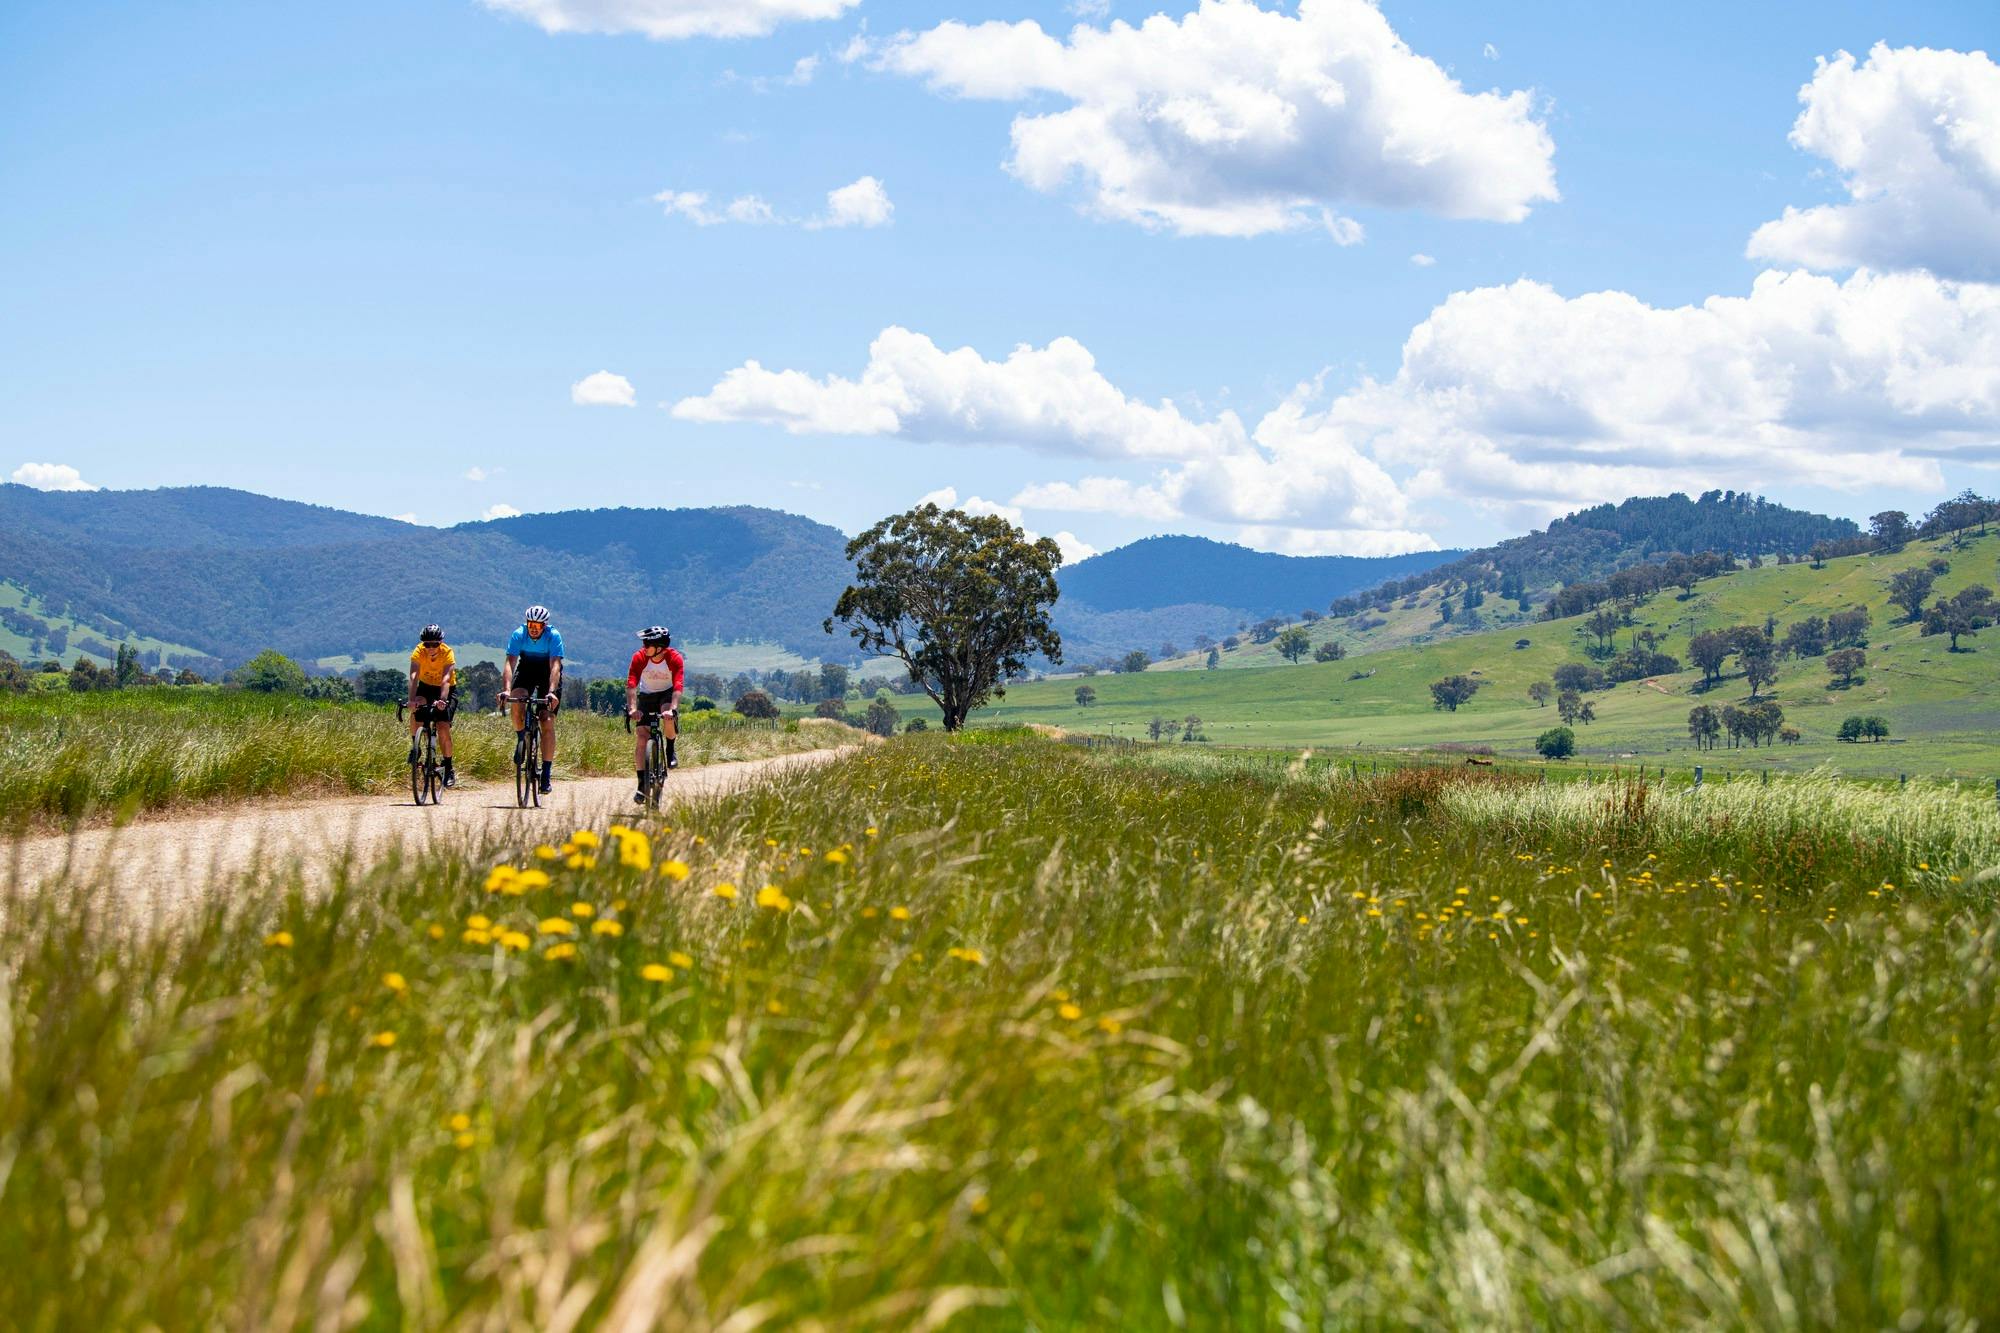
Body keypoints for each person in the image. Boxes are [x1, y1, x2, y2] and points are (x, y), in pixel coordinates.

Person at [503, 603, 564, 794]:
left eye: (538, 625)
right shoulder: (518, 634)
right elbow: (510, 663)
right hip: (527, 668)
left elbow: (555, 666)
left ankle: (546, 773)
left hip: (548, 671)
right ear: (527, 623)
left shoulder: (553, 636)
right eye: (531, 624)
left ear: (544, 626)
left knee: (546, 720)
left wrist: (552, 692)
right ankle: (521, 739)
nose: (534, 628)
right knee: (517, 699)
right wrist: (506, 690)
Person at [626, 625, 684, 803]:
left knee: (667, 714)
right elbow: (631, 684)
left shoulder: (674, 658)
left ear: (659, 646)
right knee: (642, 737)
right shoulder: (639, 657)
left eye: (647, 644)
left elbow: (678, 685)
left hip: (666, 693)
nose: (644, 647)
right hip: (647, 695)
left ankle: (670, 749)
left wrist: (672, 709)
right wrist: (632, 709)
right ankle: (642, 784)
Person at [407, 623, 457, 787]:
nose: (430, 648)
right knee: (416, 710)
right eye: (427, 644)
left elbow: (445, 680)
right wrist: (412, 699)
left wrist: (442, 700)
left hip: (446, 689)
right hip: (426, 687)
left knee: (442, 727)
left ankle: (448, 767)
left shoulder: (447, 653)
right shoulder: (418, 651)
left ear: (440, 642)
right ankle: (416, 747)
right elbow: (414, 676)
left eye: (434, 644)